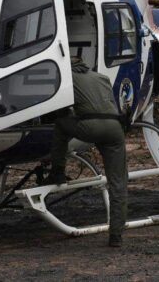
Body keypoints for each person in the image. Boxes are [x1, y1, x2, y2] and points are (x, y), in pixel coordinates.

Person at [45, 57, 128, 247]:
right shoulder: (101, 77)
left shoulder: (67, 78)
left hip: (91, 126)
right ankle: (116, 235)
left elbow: (59, 107)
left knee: (60, 125)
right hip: (115, 128)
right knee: (118, 183)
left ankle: (57, 172)